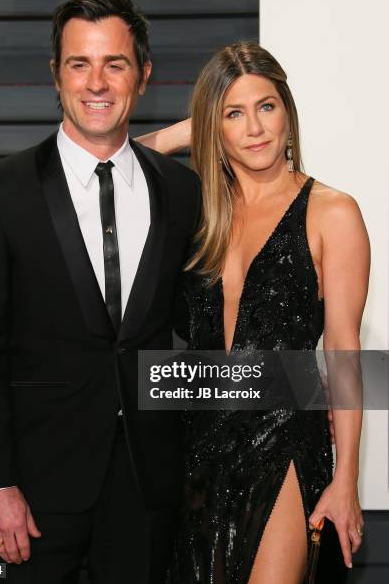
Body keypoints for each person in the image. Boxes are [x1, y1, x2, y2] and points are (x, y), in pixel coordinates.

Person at [0, 0, 200, 584]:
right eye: (79, 64)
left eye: (114, 64)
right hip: (36, 496)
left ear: (142, 75)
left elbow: (200, 330)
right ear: (55, 75)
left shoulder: (181, 190)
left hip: (149, 488)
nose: (96, 83)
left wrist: (304, 394)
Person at [138, 42, 368, 583]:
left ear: (287, 111)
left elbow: (343, 350)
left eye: (266, 106)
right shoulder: (195, 212)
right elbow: (110, 162)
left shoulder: (332, 212)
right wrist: (190, 128)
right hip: (195, 440)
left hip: (283, 436)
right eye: (233, 115)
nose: (255, 127)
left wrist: (346, 479)